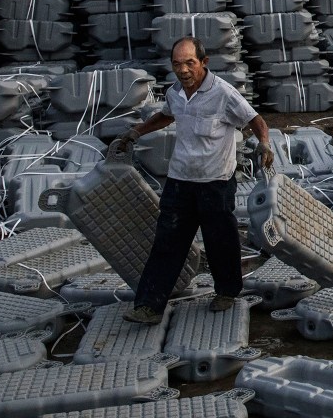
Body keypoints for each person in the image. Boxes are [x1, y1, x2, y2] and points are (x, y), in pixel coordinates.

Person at [113, 35, 273, 323]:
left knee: (219, 241)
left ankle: (227, 291)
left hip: (216, 182)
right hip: (180, 181)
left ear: (204, 62)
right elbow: (166, 116)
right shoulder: (176, 93)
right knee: (167, 242)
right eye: (177, 64)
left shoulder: (223, 93)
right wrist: (136, 132)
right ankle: (149, 306)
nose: (183, 70)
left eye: (189, 63)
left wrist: (264, 144)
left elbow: (255, 120)